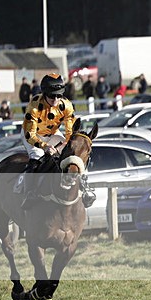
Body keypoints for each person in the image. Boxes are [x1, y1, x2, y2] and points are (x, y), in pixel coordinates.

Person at [18, 73, 95, 209]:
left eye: (59, 95)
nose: (56, 99)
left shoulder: (66, 106)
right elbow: (30, 135)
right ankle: (29, 193)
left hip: (52, 133)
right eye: (52, 95)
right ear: (45, 93)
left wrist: (67, 143)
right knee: (37, 156)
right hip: (32, 135)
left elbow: (70, 132)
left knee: (73, 155)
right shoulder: (35, 105)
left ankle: (86, 187)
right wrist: (45, 147)